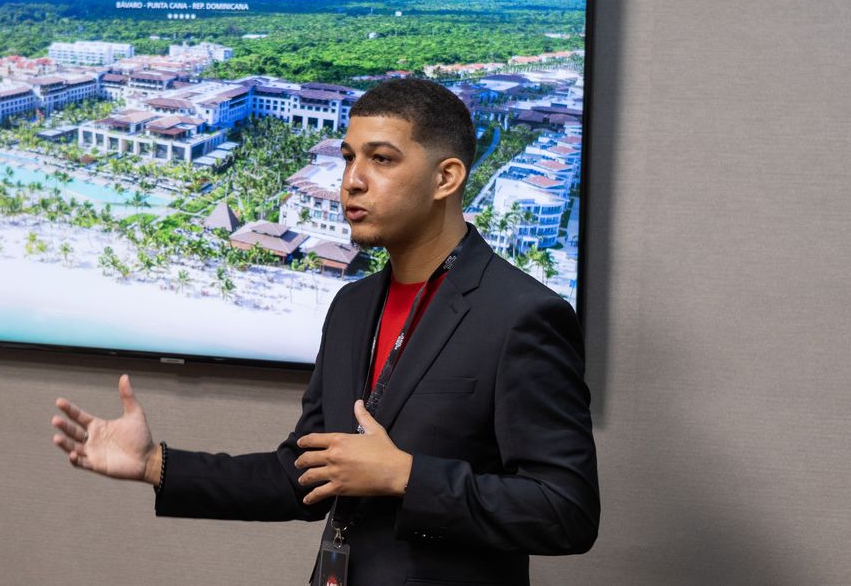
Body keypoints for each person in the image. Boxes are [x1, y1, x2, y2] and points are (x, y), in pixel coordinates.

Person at [52, 78, 599, 585]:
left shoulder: (523, 315)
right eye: (348, 158)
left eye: (381, 159)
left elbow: (565, 510)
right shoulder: (352, 305)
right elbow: (301, 475)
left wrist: (408, 477)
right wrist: (155, 465)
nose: (352, 180)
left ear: (446, 177)